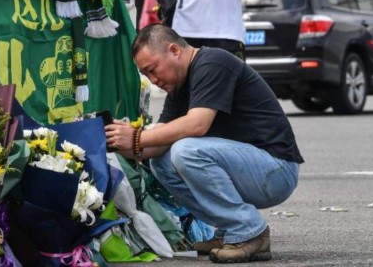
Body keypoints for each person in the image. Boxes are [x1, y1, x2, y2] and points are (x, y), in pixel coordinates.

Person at [105, 24, 303, 263]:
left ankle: (249, 232)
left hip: (276, 170)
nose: (153, 80)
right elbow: (156, 142)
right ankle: (231, 230)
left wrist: (136, 137)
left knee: (185, 151)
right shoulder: (178, 87)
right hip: (252, 169)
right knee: (162, 161)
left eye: (152, 70)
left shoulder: (213, 63)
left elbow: (196, 124)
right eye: (146, 75)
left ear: (174, 51)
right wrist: (118, 142)